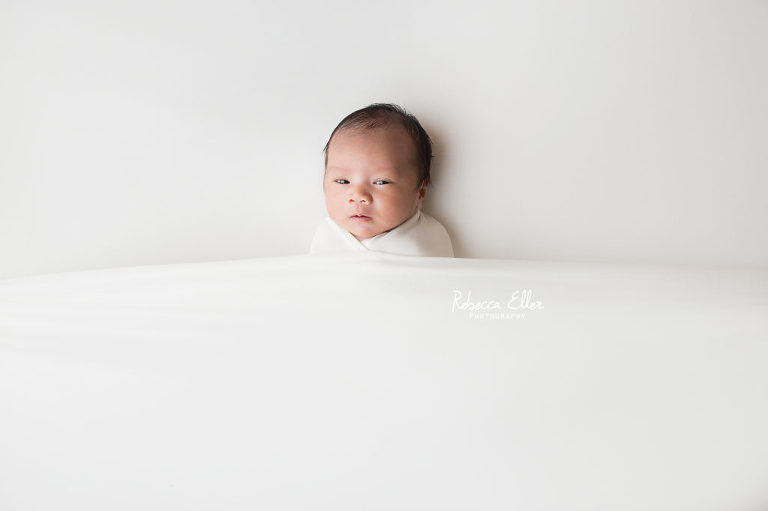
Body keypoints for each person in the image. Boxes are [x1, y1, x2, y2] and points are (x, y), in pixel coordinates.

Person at [309, 103, 454, 257]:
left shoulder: (428, 239)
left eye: (381, 182)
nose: (359, 196)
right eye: (343, 181)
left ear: (420, 192)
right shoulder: (326, 236)